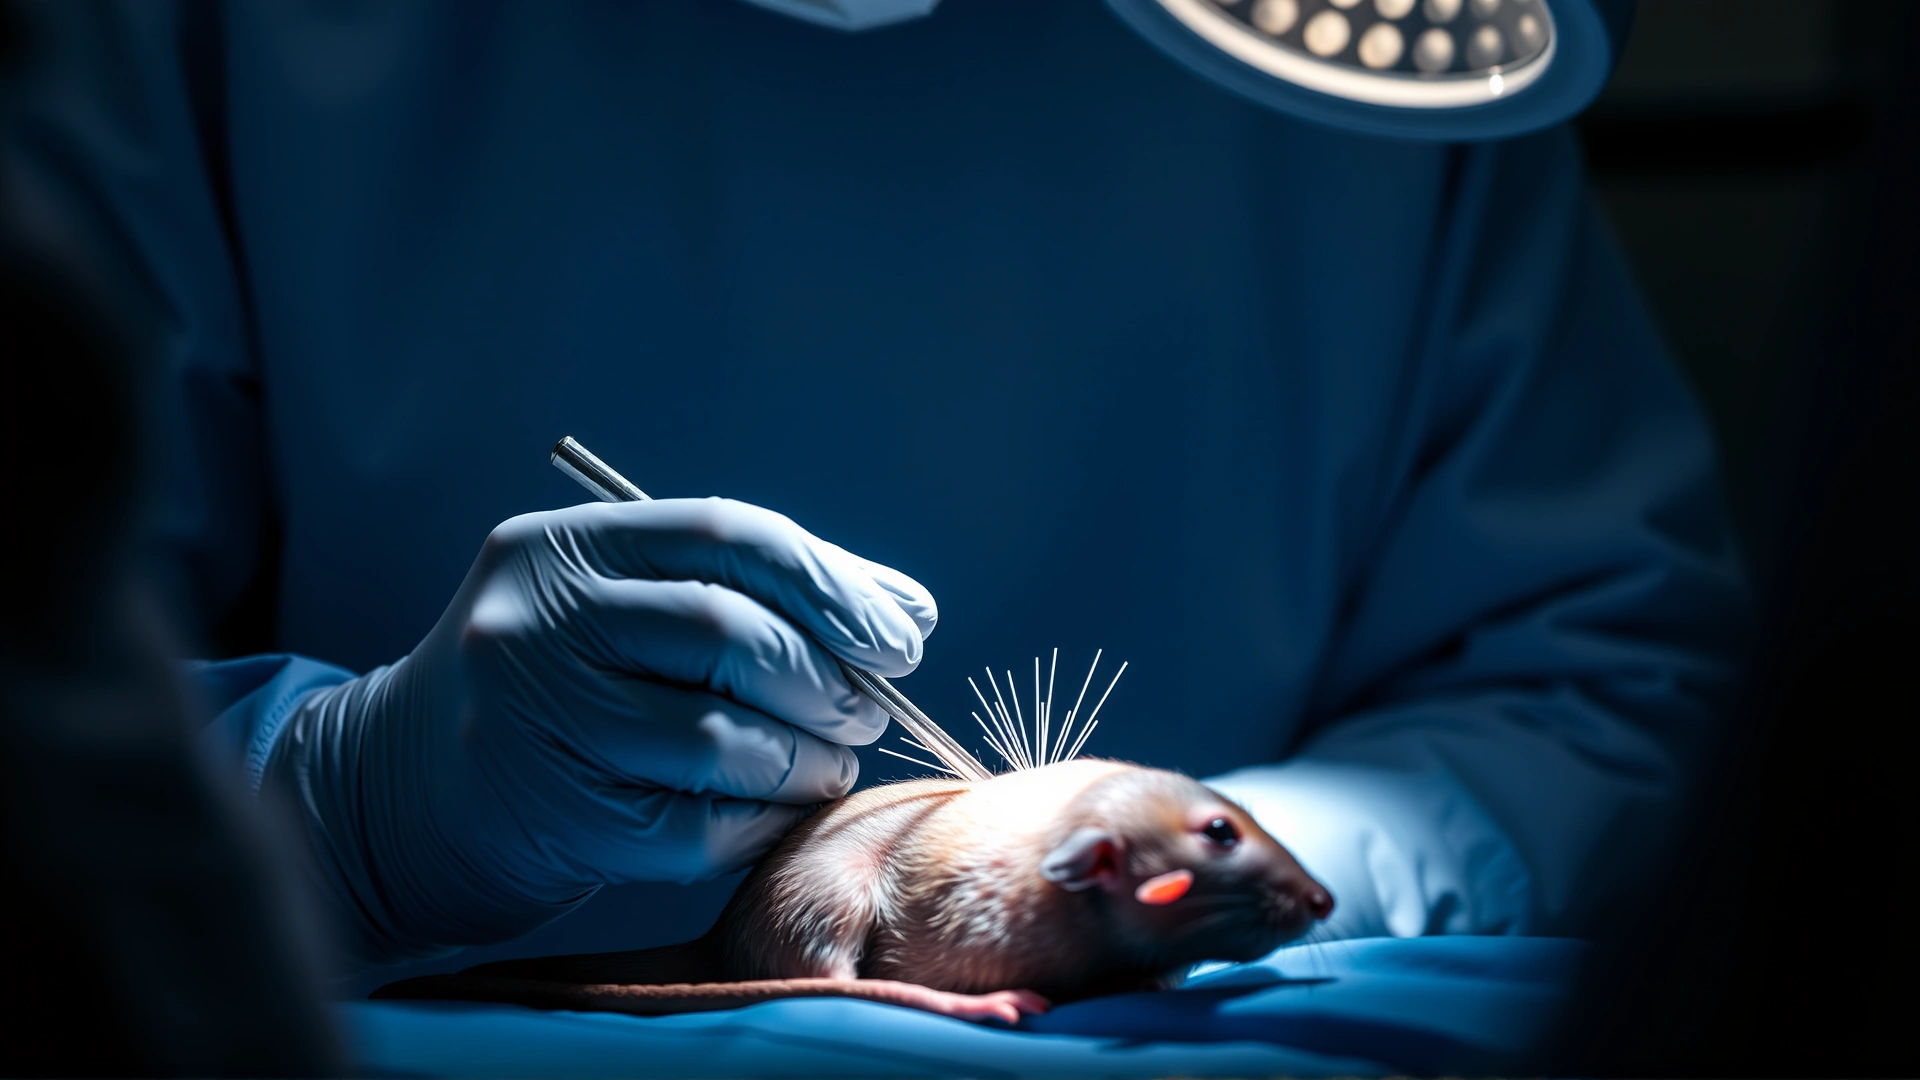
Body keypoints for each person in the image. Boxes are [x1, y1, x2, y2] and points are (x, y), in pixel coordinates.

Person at [0, 0, 1745, 975]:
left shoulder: (1373, 56)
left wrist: (1296, 857)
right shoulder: (224, 47)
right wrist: (341, 806)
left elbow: (1609, 698)